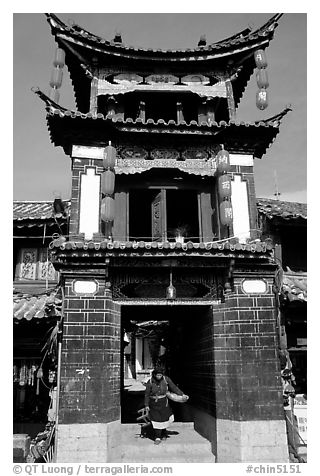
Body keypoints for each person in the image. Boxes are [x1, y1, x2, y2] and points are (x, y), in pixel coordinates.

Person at [144, 367, 185, 445]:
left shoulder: (166, 379)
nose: (159, 376)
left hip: (163, 403)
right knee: (156, 420)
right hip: (154, 404)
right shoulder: (150, 382)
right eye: (157, 375)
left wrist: (182, 394)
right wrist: (146, 405)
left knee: (164, 419)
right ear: (154, 375)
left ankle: (163, 432)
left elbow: (174, 388)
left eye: (160, 375)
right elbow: (146, 394)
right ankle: (157, 437)